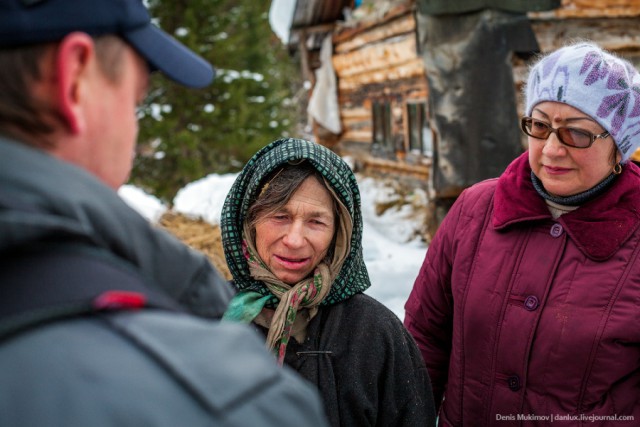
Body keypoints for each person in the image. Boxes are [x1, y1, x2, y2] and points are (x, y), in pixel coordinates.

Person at [0, 1, 329, 426]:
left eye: (316, 220)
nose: (134, 139)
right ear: (75, 78)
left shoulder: (371, 332)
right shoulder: (226, 400)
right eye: (136, 102)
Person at [404, 41, 640, 425]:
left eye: (576, 134)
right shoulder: (474, 210)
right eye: (540, 125)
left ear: (619, 145)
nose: (550, 150)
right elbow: (423, 342)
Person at [220, 137, 437, 426]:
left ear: (339, 234)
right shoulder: (208, 317)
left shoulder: (377, 334)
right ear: (249, 223)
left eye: (316, 222)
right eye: (280, 216)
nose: (295, 240)